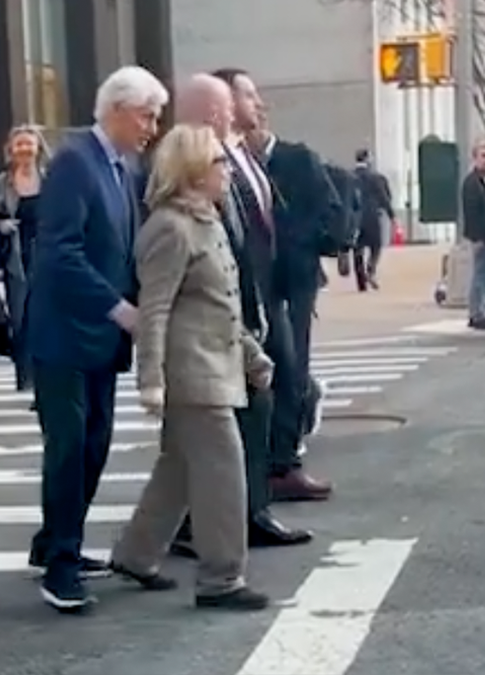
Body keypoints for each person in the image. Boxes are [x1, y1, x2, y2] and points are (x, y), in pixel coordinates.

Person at [110, 124, 274, 612]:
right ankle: (221, 578)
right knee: (223, 470)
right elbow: (153, 310)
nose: (227, 171)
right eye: (219, 163)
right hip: (190, 373)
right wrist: (151, 381)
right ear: (194, 170)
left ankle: (136, 555)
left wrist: (251, 354)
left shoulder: (207, 221)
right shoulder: (169, 228)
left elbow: (218, 303)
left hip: (215, 363)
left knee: (179, 468)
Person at [26, 66, 169, 612]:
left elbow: (120, 249)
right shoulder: (73, 163)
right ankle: (60, 565)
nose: (151, 128)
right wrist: (118, 308)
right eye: (146, 115)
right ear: (115, 109)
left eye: (155, 117)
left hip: (102, 338)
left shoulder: (121, 167)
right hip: (66, 333)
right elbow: (59, 253)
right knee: (69, 448)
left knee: (95, 443)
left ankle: (53, 541)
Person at [164, 74, 313, 559]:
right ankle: (225, 523)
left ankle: (241, 513)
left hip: (256, 303)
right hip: (221, 315)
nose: (241, 109)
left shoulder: (240, 156)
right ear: (212, 111)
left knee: (257, 407)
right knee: (235, 418)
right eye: (231, 102)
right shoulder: (195, 165)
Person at [213, 67, 333, 503]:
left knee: (287, 374)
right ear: (224, 102)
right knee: (262, 385)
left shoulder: (245, 155)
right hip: (248, 292)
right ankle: (253, 487)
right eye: (247, 94)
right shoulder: (216, 155)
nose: (258, 102)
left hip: (275, 287)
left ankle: (275, 472)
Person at [0, 125, 49, 392]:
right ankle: (24, 376)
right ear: (11, 150)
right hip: (15, 254)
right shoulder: (3, 181)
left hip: (47, 253)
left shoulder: (50, 177)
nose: (24, 149)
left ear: (38, 148)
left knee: (45, 317)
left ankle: (45, 375)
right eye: (19, 144)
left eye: (29, 144)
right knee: (20, 317)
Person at [461, 140, 485, 331]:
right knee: (480, 274)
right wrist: (479, 237)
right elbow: (472, 213)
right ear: (475, 158)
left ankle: (482, 309)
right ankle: (476, 313)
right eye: (483, 156)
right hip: (482, 237)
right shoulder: (471, 183)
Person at [353, 150, 395, 292]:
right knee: (376, 246)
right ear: (367, 159)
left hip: (355, 218)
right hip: (372, 217)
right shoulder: (376, 178)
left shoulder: (350, 177)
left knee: (357, 249)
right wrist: (392, 215)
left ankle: (361, 283)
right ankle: (371, 269)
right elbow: (384, 198)